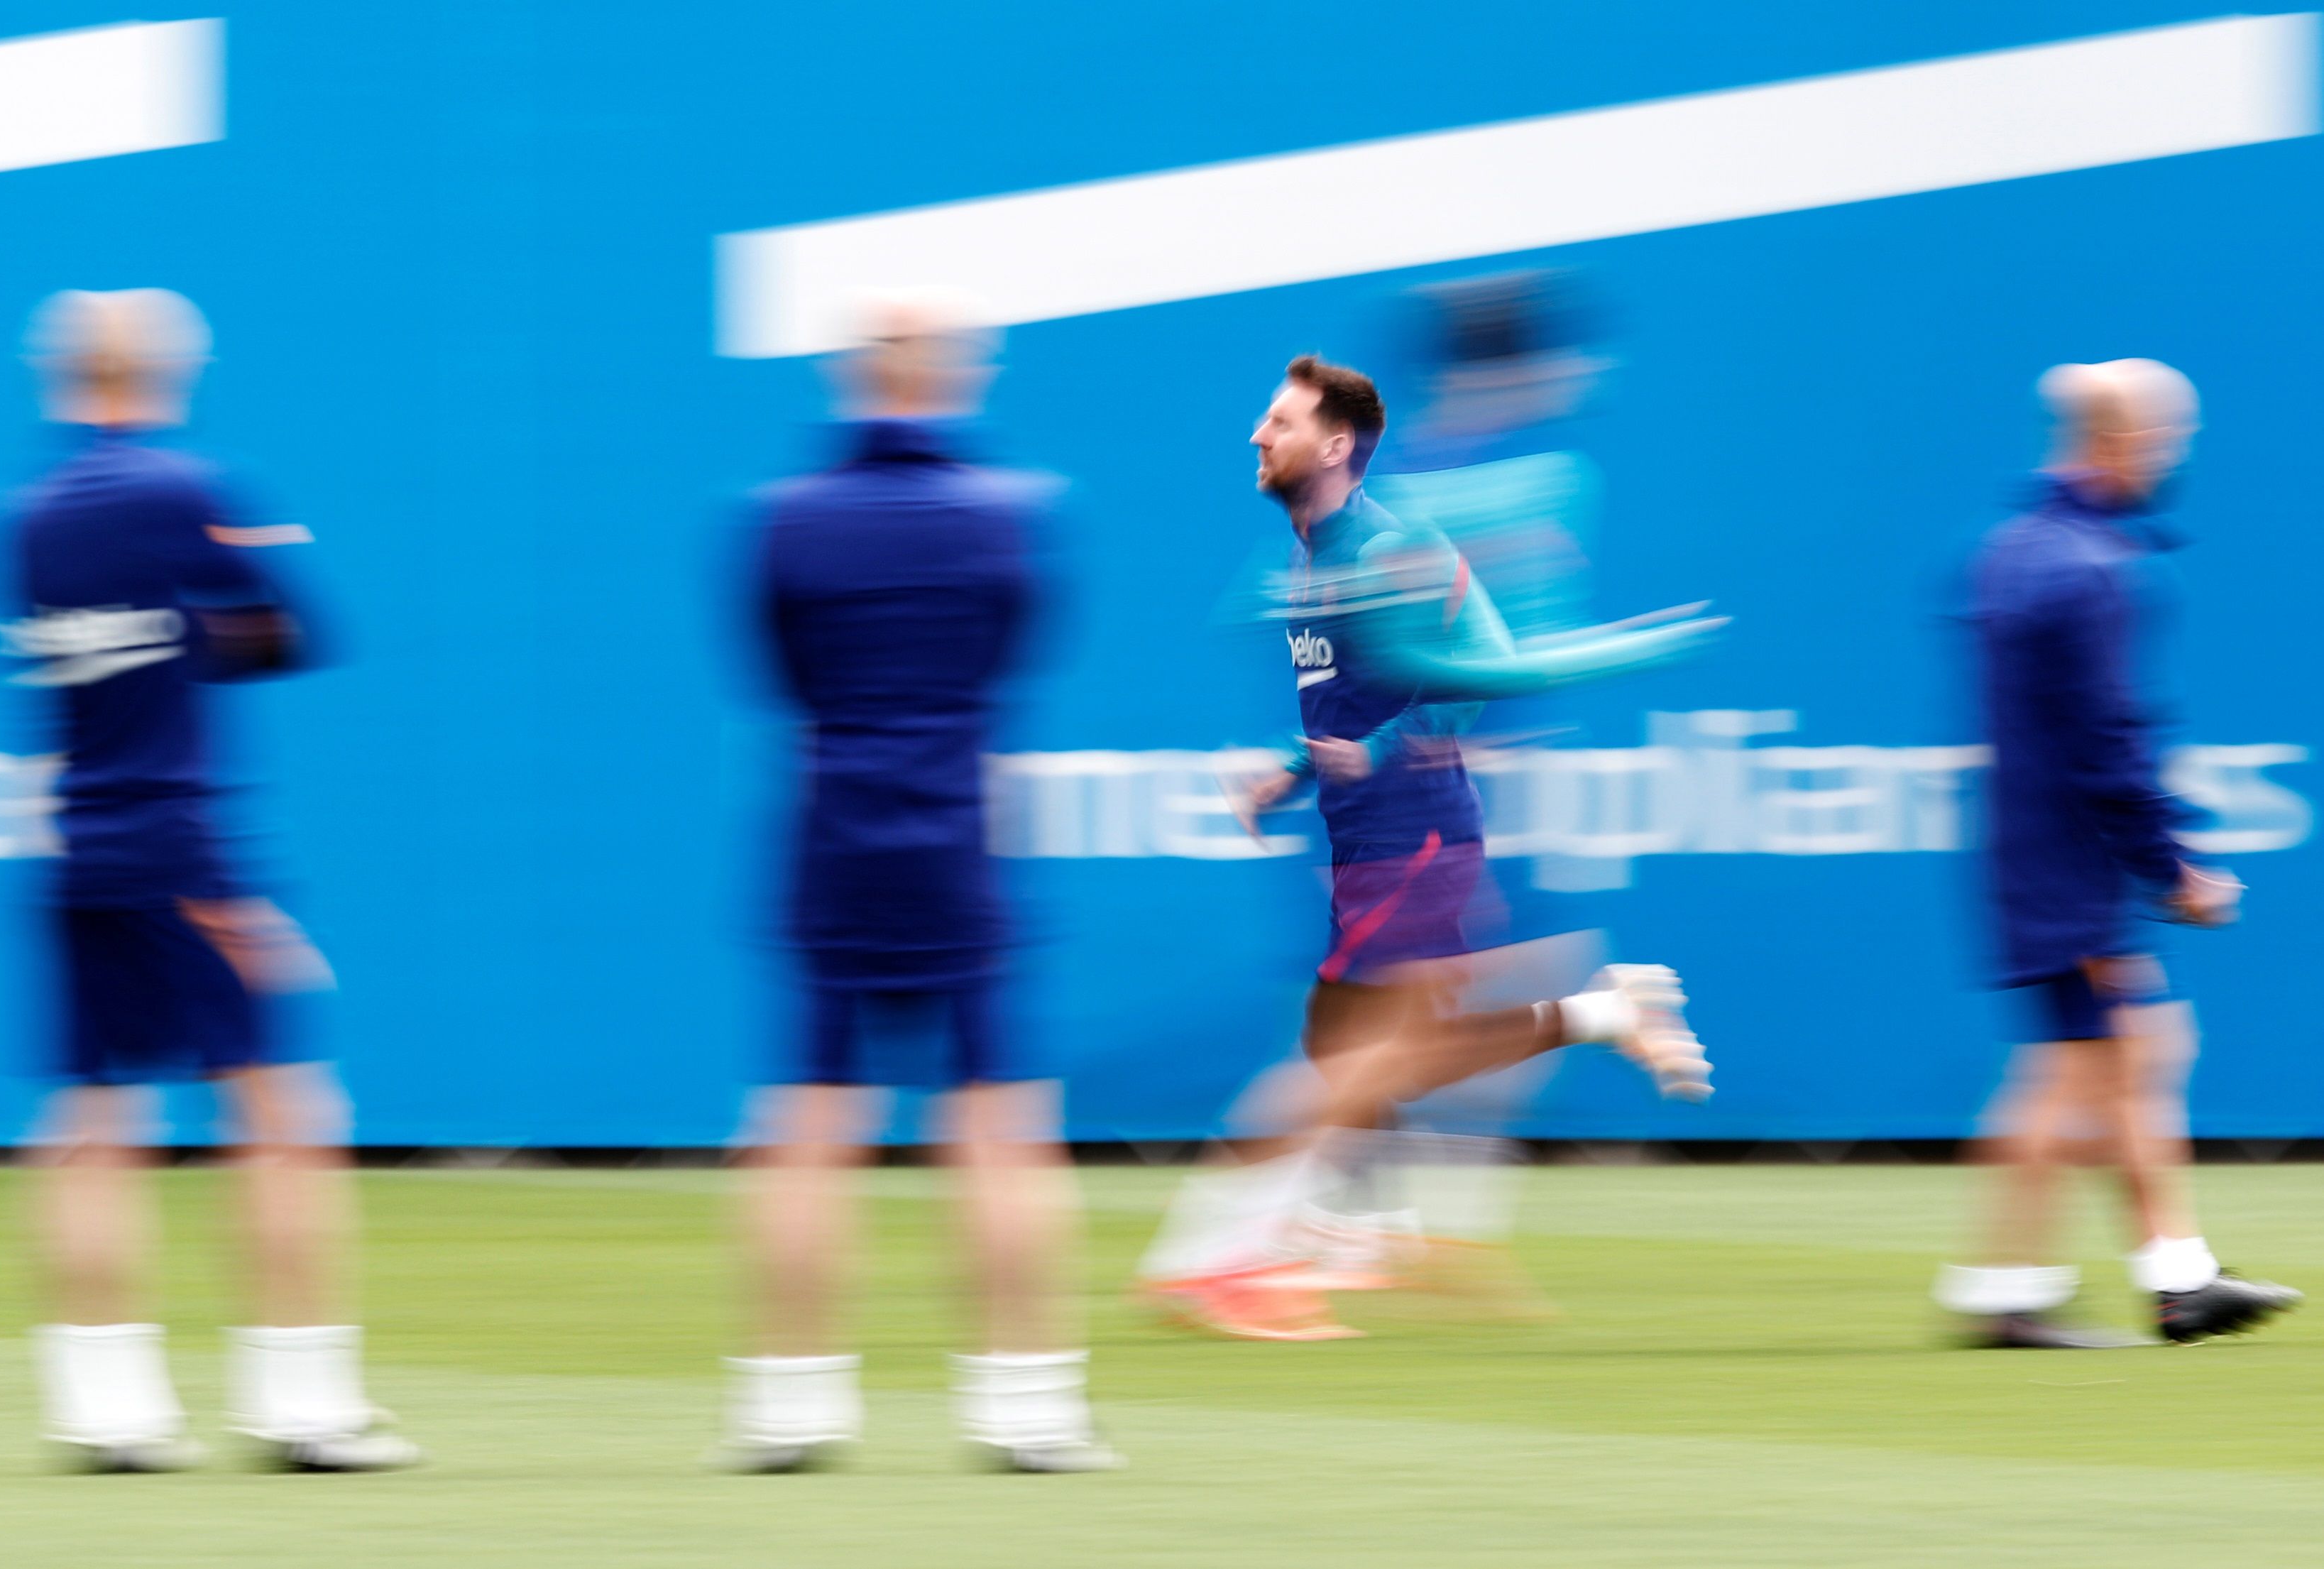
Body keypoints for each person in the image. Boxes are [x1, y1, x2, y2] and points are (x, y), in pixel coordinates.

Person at [1136, 355, 1721, 1340]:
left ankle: (1224, 1261)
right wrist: (1294, 766)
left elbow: (1471, 679)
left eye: (1280, 421)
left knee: (1355, 1069)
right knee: (1359, 1056)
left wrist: (1368, 751)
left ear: (1334, 445)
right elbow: (1362, 694)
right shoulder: (1315, 551)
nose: (1257, 435)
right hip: (1365, 836)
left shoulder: (1391, 548)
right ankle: (1603, 1014)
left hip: (1414, 836)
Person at [0, 289, 417, 1472]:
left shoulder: (24, 517)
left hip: (76, 839)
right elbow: (288, 635)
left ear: (65, 374)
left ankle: (105, 1408)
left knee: (95, 1122)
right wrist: (208, 616)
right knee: (285, 1113)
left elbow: (64, 660)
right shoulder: (191, 488)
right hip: (180, 842)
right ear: (165, 369)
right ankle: (302, 1405)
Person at [720, 295, 1117, 1474]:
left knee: (808, 1125)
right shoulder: (1012, 514)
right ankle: (1028, 1409)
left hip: (835, 839)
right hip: (955, 843)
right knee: (999, 1129)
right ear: (956, 374)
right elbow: (1009, 655)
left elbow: (782, 674)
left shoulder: (782, 519)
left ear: (852, 374)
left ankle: (787, 1406)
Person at [1934, 359, 2300, 1348]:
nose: (2176, 455)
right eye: (2170, 437)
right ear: (2124, 441)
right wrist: (2172, 866)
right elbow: (2109, 742)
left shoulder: (2012, 551)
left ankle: (2176, 1277)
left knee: (2136, 1053)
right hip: (2073, 863)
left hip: (2039, 851)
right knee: (2075, 1073)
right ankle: (2003, 1293)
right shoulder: (2092, 568)